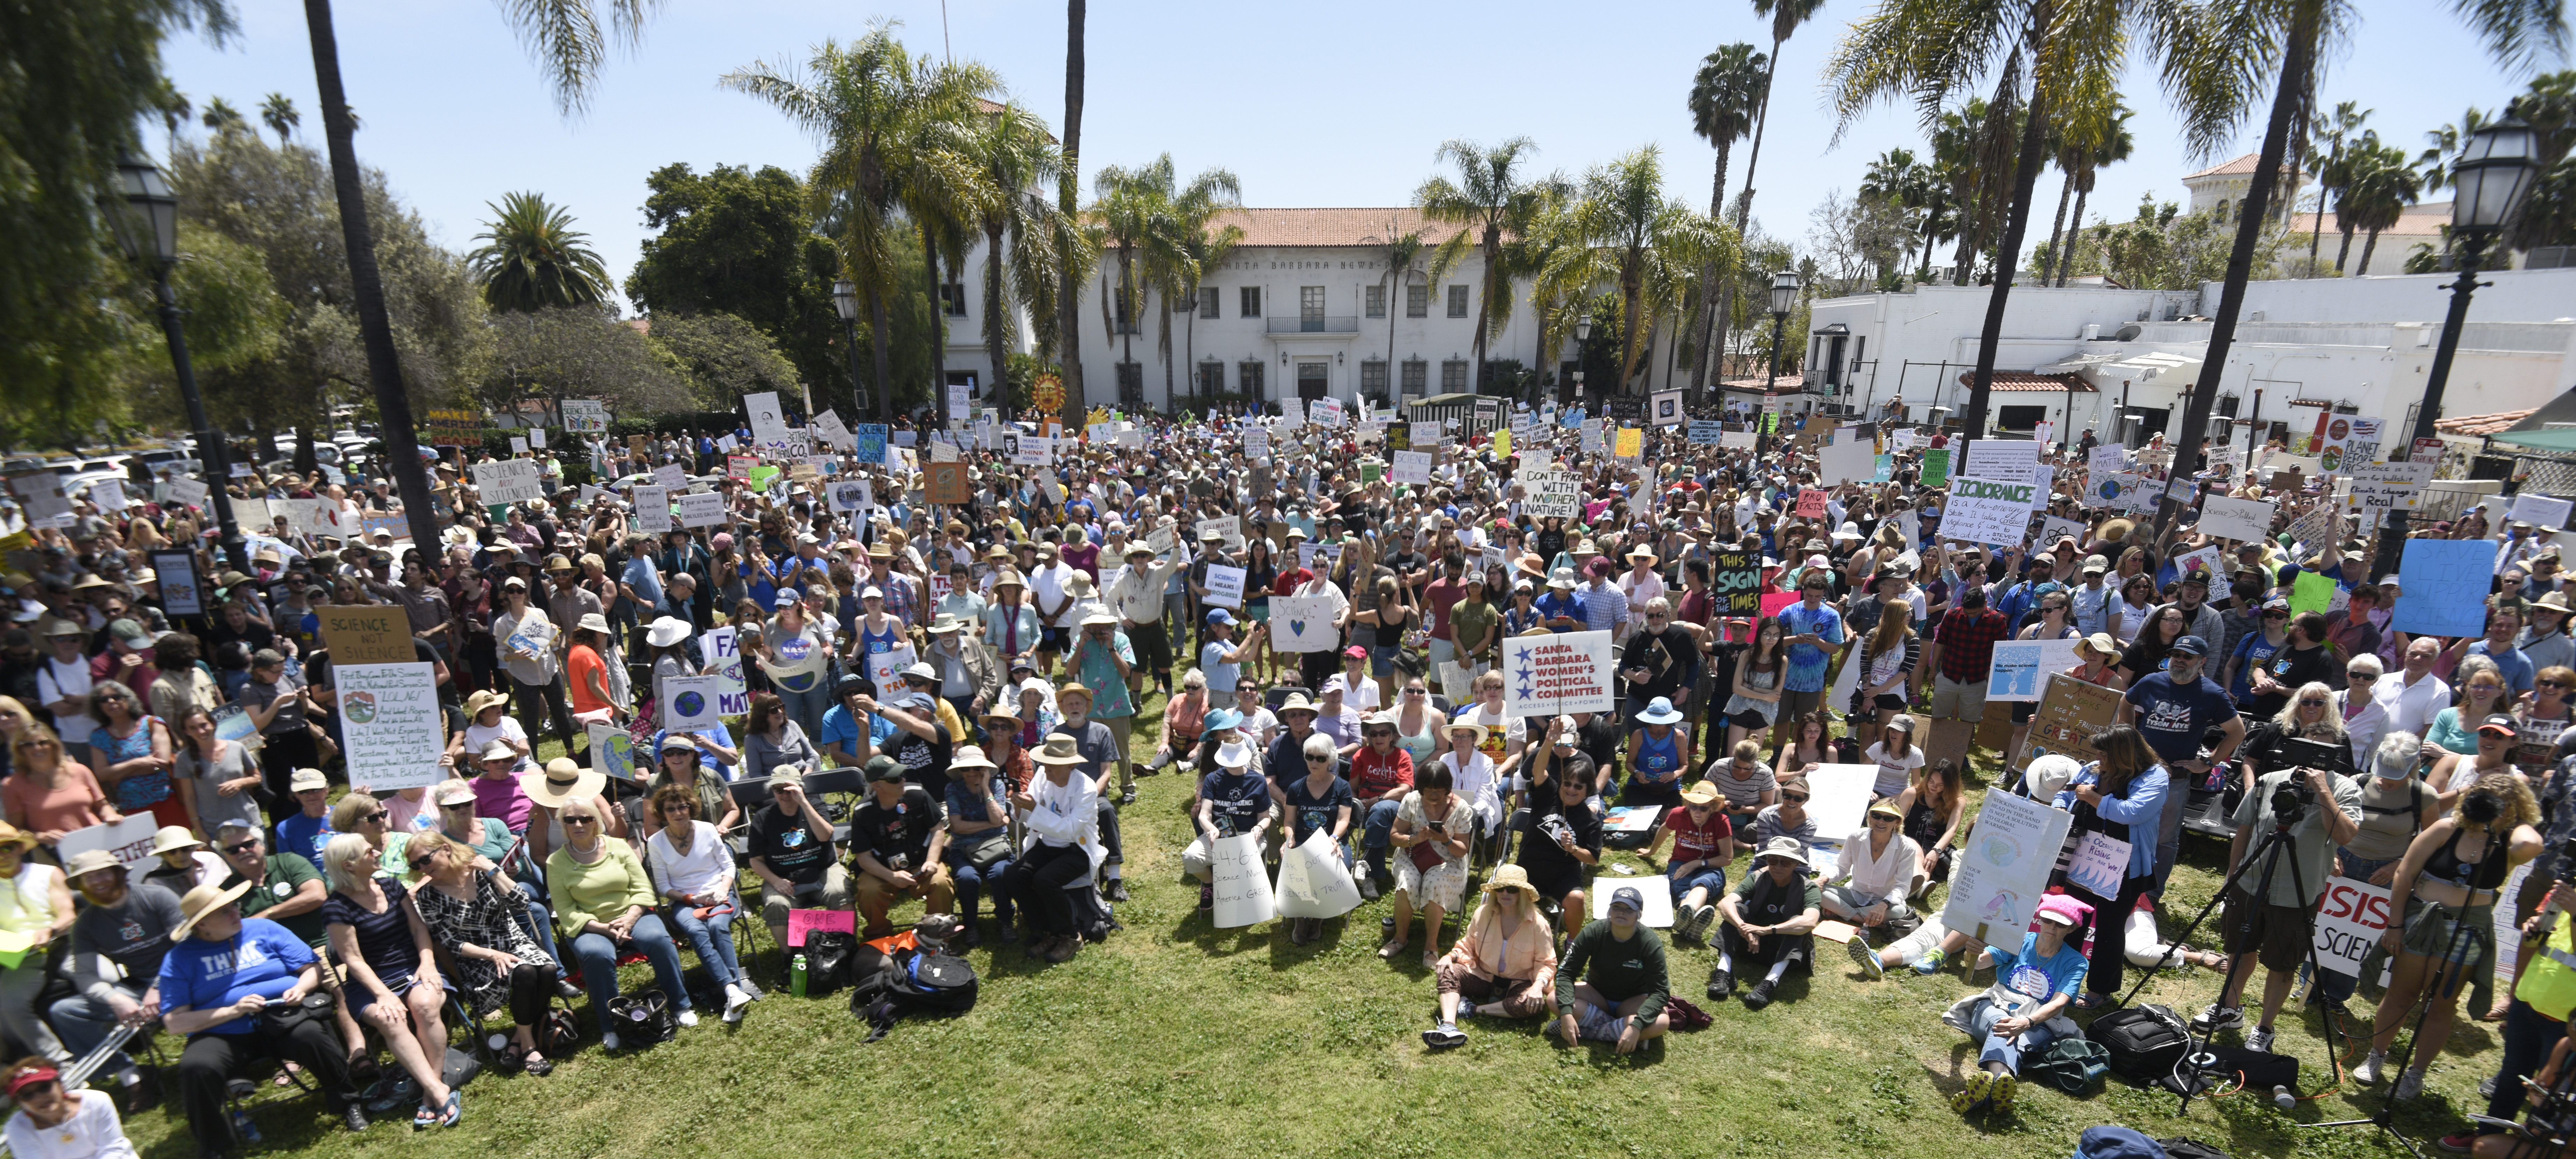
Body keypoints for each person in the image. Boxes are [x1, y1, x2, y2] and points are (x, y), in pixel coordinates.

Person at [2353, 772, 2542, 1099]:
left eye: (2498, 804)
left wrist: (2515, 817)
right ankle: (2376, 1056)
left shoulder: (2509, 844)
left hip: (2467, 929)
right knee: (2401, 993)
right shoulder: (2445, 829)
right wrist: (2395, 925)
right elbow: (2405, 874)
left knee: (2441, 1004)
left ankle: (2416, 1074)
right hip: (2421, 921)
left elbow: (2532, 843)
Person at [157, 879, 369, 1151]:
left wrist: (301, 988)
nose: (236, 913)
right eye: (225, 911)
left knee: (311, 1036)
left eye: (234, 906)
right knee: (196, 1067)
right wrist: (232, 1011)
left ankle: (348, 1102)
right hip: (223, 1031)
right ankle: (215, 1145)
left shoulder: (264, 929)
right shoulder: (180, 958)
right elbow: (175, 1022)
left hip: (282, 1014)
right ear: (202, 924)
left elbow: (312, 968)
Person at [2194, 721, 2362, 1048]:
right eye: (2308, 747)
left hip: (2297, 892)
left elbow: (2346, 836)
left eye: (2324, 752)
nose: (2314, 758)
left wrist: (2323, 790)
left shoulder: (2345, 789)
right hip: (2252, 881)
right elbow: (2244, 828)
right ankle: (2229, 1008)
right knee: (2239, 948)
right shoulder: (2271, 781)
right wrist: (2233, 876)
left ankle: (2265, 1028)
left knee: (2283, 963)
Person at [318, 833, 460, 1127]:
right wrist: (383, 994)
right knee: (389, 1018)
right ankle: (437, 1090)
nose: (378, 852)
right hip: (370, 981)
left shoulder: (391, 886)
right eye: (369, 851)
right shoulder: (336, 907)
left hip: (414, 966)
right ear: (350, 864)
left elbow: (419, 929)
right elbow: (353, 960)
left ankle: (429, 1091)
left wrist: (429, 964)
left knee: (423, 1005)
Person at [404, 831, 559, 1076]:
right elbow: (450, 942)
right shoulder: (428, 895)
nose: (422, 868)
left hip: (513, 942)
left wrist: (492, 869)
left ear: (446, 848)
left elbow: (522, 903)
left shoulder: (482, 871)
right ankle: (530, 1047)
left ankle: (519, 1039)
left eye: (425, 859)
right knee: (526, 972)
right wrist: (491, 955)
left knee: (548, 970)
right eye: (416, 865)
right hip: (477, 959)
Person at [548, 794, 693, 1046]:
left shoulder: (619, 847)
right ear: (564, 825)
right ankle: (610, 1025)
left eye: (586, 818)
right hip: (590, 927)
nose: (579, 825)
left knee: (659, 939)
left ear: (596, 822)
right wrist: (603, 928)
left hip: (633, 914)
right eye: (571, 820)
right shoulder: (556, 862)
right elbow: (566, 910)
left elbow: (643, 889)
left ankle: (680, 1005)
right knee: (596, 954)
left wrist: (629, 919)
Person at [2118, 635, 2245, 896]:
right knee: (2124, 826)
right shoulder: (2152, 680)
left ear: (2202, 662)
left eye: (2188, 656)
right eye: (2177, 654)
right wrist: (2130, 737)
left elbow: (2237, 732)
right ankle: (2117, 883)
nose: (2180, 660)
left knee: (2165, 840)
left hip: (2174, 778)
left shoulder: (2212, 694)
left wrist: (2209, 763)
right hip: (2138, 771)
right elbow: (2126, 702)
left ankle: (2151, 894)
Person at [1947, 894, 2095, 1117]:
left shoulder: (2076, 962)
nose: (2052, 928)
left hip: (2038, 1021)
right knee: (2003, 1026)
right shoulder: (2020, 940)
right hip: (1995, 1005)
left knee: (2009, 1034)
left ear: (2072, 929)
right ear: (2040, 919)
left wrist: (2026, 1022)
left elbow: (2060, 1002)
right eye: (2048, 921)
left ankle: (1988, 1091)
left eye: (2060, 924)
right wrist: (1972, 952)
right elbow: (1979, 964)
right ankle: (2000, 1084)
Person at [643, 785, 756, 1022]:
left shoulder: (707, 830)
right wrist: (692, 899)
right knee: (695, 930)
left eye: (683, 806)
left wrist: (723, 890)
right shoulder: (655, 842)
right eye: (671, 809)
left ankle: (731, 993)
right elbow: (663, 887)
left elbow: (728, 866)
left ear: (691, 808)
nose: (678, 813)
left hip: (720, 894)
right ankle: (733, 991)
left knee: (717, 927)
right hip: (685, 901)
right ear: (663, 813)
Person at [1423, 864, 1558, 1049]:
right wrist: (1451, 955)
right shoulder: (1483, 913)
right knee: (1448, 970)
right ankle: (1449, 1026)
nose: (1505, 893)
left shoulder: (1538, 924)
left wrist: (1538, 986)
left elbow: (1547, 963)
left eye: (1512, 889)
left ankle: (1472, 1010)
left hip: (1518, 983)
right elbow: (1469, 944)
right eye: (1500, 889)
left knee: (1533, 1003)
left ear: (1523, 894)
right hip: (1483, 976)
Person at [1004, 735, 1104, 963]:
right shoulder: (1042, 775)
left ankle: (1070, 936)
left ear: (1070, 765)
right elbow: (1028, 815)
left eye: (1052, 763)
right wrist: (1019, 806)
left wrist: (1034, 809)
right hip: (1046, 843)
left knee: (1044, 880)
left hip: (1076, 849)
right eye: (1046, 761)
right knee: (1013, 875)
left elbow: (1070, 830)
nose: (1046, 767)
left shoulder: (1086, 788)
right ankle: (1045, 931)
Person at [1550, 885, 1669, 1054]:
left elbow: (1661, 992)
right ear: (1610, 910)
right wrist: (1566, 1013)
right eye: (1617, 907)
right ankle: (1623, 1032)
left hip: (1632, 1002)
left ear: (1639, 914)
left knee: (1662, 1022)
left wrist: (1637, 1025)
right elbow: (1566, 973)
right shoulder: (1594, 932)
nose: (1622, 912)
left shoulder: (1649, 942)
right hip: (1597, 996)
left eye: (1629, 909)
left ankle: (1586, 1032)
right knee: (1554, 999)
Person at [1712, 836, 1822, 1009]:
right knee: (1737, 910)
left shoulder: (1809, 888)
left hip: (1782, 949)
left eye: (1785, 862)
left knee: (1798, 925)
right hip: (1750, 944)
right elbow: (1724, 904)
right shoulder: (1757, 877)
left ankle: (1770, 982)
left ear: (1796, 865)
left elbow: (1810, 921)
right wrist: (1744, 928)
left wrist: (1767, 930)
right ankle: (1723, 972)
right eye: (1773, 860)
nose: (1778, 866)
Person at [1381, 763, 1473, 969]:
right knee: (1407, 881)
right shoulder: (1411, 800)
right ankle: (1400, 938)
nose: (1433, 795)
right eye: (1428, 791)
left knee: (1435, 883)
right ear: (1421, 789)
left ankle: (1431, 946)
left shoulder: (1461, 809)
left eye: (1438, 792)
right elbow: (1395, 837)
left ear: (1448, 789)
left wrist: (1447, 840)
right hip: (1413, 854)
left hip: (1449, 861)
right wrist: (1416, 838)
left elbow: (1462, 850)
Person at [851, 755, 953, 939]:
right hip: (883, 870)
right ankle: (879, 938)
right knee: (869, 891)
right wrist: (891, 876)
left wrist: (931, 860)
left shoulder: (917, 794)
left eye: (903, 774)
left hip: (921, 863)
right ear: (877, 785)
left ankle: (939, 935)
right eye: (895, 778)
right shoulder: (863, 812)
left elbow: (938, 829)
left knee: (941, 882)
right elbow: (863, 857)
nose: (903, 780)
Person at [746, 773, 849, 953]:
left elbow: (825, 836)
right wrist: (776, 881)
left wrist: (803, 803)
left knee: (840, 892)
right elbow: (755, 860)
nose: (785, 795)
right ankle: (790, 958)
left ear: (800, 789)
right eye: (779, 790)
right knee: (776, 904)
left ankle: (845, 950)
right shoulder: (763, 818)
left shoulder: (816, 806)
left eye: (790, 790)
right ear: (772, 791)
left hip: (822, 869)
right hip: (784, 878)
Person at [1517, 741, 1602, 943]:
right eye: (1567, 783)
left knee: (1577, 899)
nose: (1571, 790)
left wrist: (1573, 849)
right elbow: (1538, 770)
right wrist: (1549, 742)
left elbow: (1593, 859)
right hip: (1529, 869)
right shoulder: (1548, 794)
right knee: (1509, 893)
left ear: (1588, 790)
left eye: (1578, 787)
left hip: (1563, 875)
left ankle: (1573, 941)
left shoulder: (1590, 820)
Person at [1279, 733, 1356, 946]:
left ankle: (1319, 916)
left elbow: (1343, 819)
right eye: (1310, 757)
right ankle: (1300, 918)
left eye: (1321, 758)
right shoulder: (1296, 788)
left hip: (1333, 842)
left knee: (1332, 864)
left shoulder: (1342, 787)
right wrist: (1290, 840)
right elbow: (1290, 822)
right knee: (1295, 862)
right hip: (1303, 842)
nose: (1314, 762)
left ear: (1330, 760)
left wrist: (1333, 838)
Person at [1184, 739, 1274, 915]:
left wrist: (1260, 827)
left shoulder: (1258, 781)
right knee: (1190, 858)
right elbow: (1205, 814)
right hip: (1219, 837)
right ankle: (1211, 883)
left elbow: (1265, 817)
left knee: (1242, 860)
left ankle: (1244, 896)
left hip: (1248, 837)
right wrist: (1210, 828)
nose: (1233, 766)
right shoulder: (1213, 779)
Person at [1646, 780, 1735, 943]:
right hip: (1680, 862)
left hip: (1711, 865)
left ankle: (1686, 914)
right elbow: (1665, 830)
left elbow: (1727, 858)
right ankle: (1690, 919)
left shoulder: (1721, 822)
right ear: (1688, 804)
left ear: (1714, 807)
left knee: (1704, 883)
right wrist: (1651, 852)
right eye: (1694, 806)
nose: (1698, 812)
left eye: (1704, 808)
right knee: (1681, 883)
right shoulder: (1678, 814)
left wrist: (1698, 864)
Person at [1, 1054, 139, 1159]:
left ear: (60, 1085)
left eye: (44, 1088)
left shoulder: (97, 1101)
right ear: (20, 1104)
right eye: (28, 1096)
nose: (39, 1098)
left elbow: (113, 1150)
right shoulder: (16, 1129)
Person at [942, 746, 1013, 948]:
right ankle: (971, 925)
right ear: (960, 771)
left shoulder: (996, 785)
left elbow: (998, 816)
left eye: (977, 768)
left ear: (984, 769)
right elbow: (957, 826)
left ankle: (1005, 920)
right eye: (966, 769)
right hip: (964, 849)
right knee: (966, 878)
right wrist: (992, 825)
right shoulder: (953, 789)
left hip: (996, 846)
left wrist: (986, 788)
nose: (972, 773)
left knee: (1001, 874)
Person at [1823, 801, 1924, 934]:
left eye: (1888, 818)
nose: (1881, 822)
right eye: (1877, 816)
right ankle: (1858, 918)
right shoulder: (1856, 837)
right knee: (1815, 889)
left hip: (1884, 901)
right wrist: (1823, 879)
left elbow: (1902, 886)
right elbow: (1842, 868)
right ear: (1870, 817)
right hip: (1856, 894)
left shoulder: (1906, 847)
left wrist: (1883, 905)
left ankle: (1841, 911)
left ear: (1897, 822)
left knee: (1899, 911)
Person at [1348, 712, 1414, 897]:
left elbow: (1405, 789)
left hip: (1393, 808)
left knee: (1381, 811)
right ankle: (1340, 868)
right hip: (1364, 807)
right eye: (1374, 734)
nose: (1378, 738)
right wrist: (1356, 803)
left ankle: (1367, 871)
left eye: (1383, 733)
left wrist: (1377, 800)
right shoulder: (1361, 755)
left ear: (1392, 735)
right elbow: (1352, 788)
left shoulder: (1403, 757)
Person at [171, 706, 262, 840]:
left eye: (204, 725)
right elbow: (189, 799)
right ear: (186, 732)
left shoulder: (236, 748)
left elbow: (257, 778)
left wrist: (241, 783)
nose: (201, 731)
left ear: (213, 724)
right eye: (193, 728)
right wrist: (200, 832)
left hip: (248, 821)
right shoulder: (184, 759)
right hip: (216, 828)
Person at [739, 691, 822, 784]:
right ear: (762, 715)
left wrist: (807, 773)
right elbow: (756, 774)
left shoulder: (793, 726)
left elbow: (811, 756)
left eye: (781, 707)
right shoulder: (752, 739)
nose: (780, 712)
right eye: (774, 710)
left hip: (802, 781)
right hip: (774, 788)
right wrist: (777, 786)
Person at [1624, 697, 1690, 807]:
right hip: (1640, 786)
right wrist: (1637, 773)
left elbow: (1684, 766)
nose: (1658, 722)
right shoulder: (1638, 735)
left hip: (1669, 788)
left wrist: (1674, 775)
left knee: (1672, 820)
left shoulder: (1679, 736)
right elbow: (1629, 763)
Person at [1707, 739, 1778, 838]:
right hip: (1718, 811)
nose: (1742, 771)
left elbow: (1767, 806)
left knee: (1767, 824)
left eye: (1747, 768)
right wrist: (1720, 803)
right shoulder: (1720, 766)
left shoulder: (1765, 773)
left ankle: (1725, 834)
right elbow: (1703, 793)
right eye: (1737, 767)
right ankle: (1734, 836)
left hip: (1750, 816)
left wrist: (1744, 810)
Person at [1863, 715, 1925, 801]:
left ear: (1907, 735)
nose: (1894, 733)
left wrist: (1902, 796)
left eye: (1899, 731)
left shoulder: (1916, 754)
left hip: (1899, 795)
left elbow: (1917, 785)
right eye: (1892, 729)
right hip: (1875, 793)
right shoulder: (1878, 747)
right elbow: (1863, 773)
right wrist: (1869, 791)